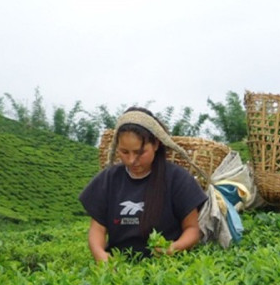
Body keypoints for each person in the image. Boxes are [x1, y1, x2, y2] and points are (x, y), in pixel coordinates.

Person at [79, 107, 207, 262]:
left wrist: (172, 249)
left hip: (166, 265)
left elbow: (192, 229)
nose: (132, 160)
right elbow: (97, 229)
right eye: (124, 152)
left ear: (156, 145)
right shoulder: (109, 179)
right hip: (119, 265)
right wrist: (100, 255)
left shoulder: (177, 178)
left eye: (140, 152)